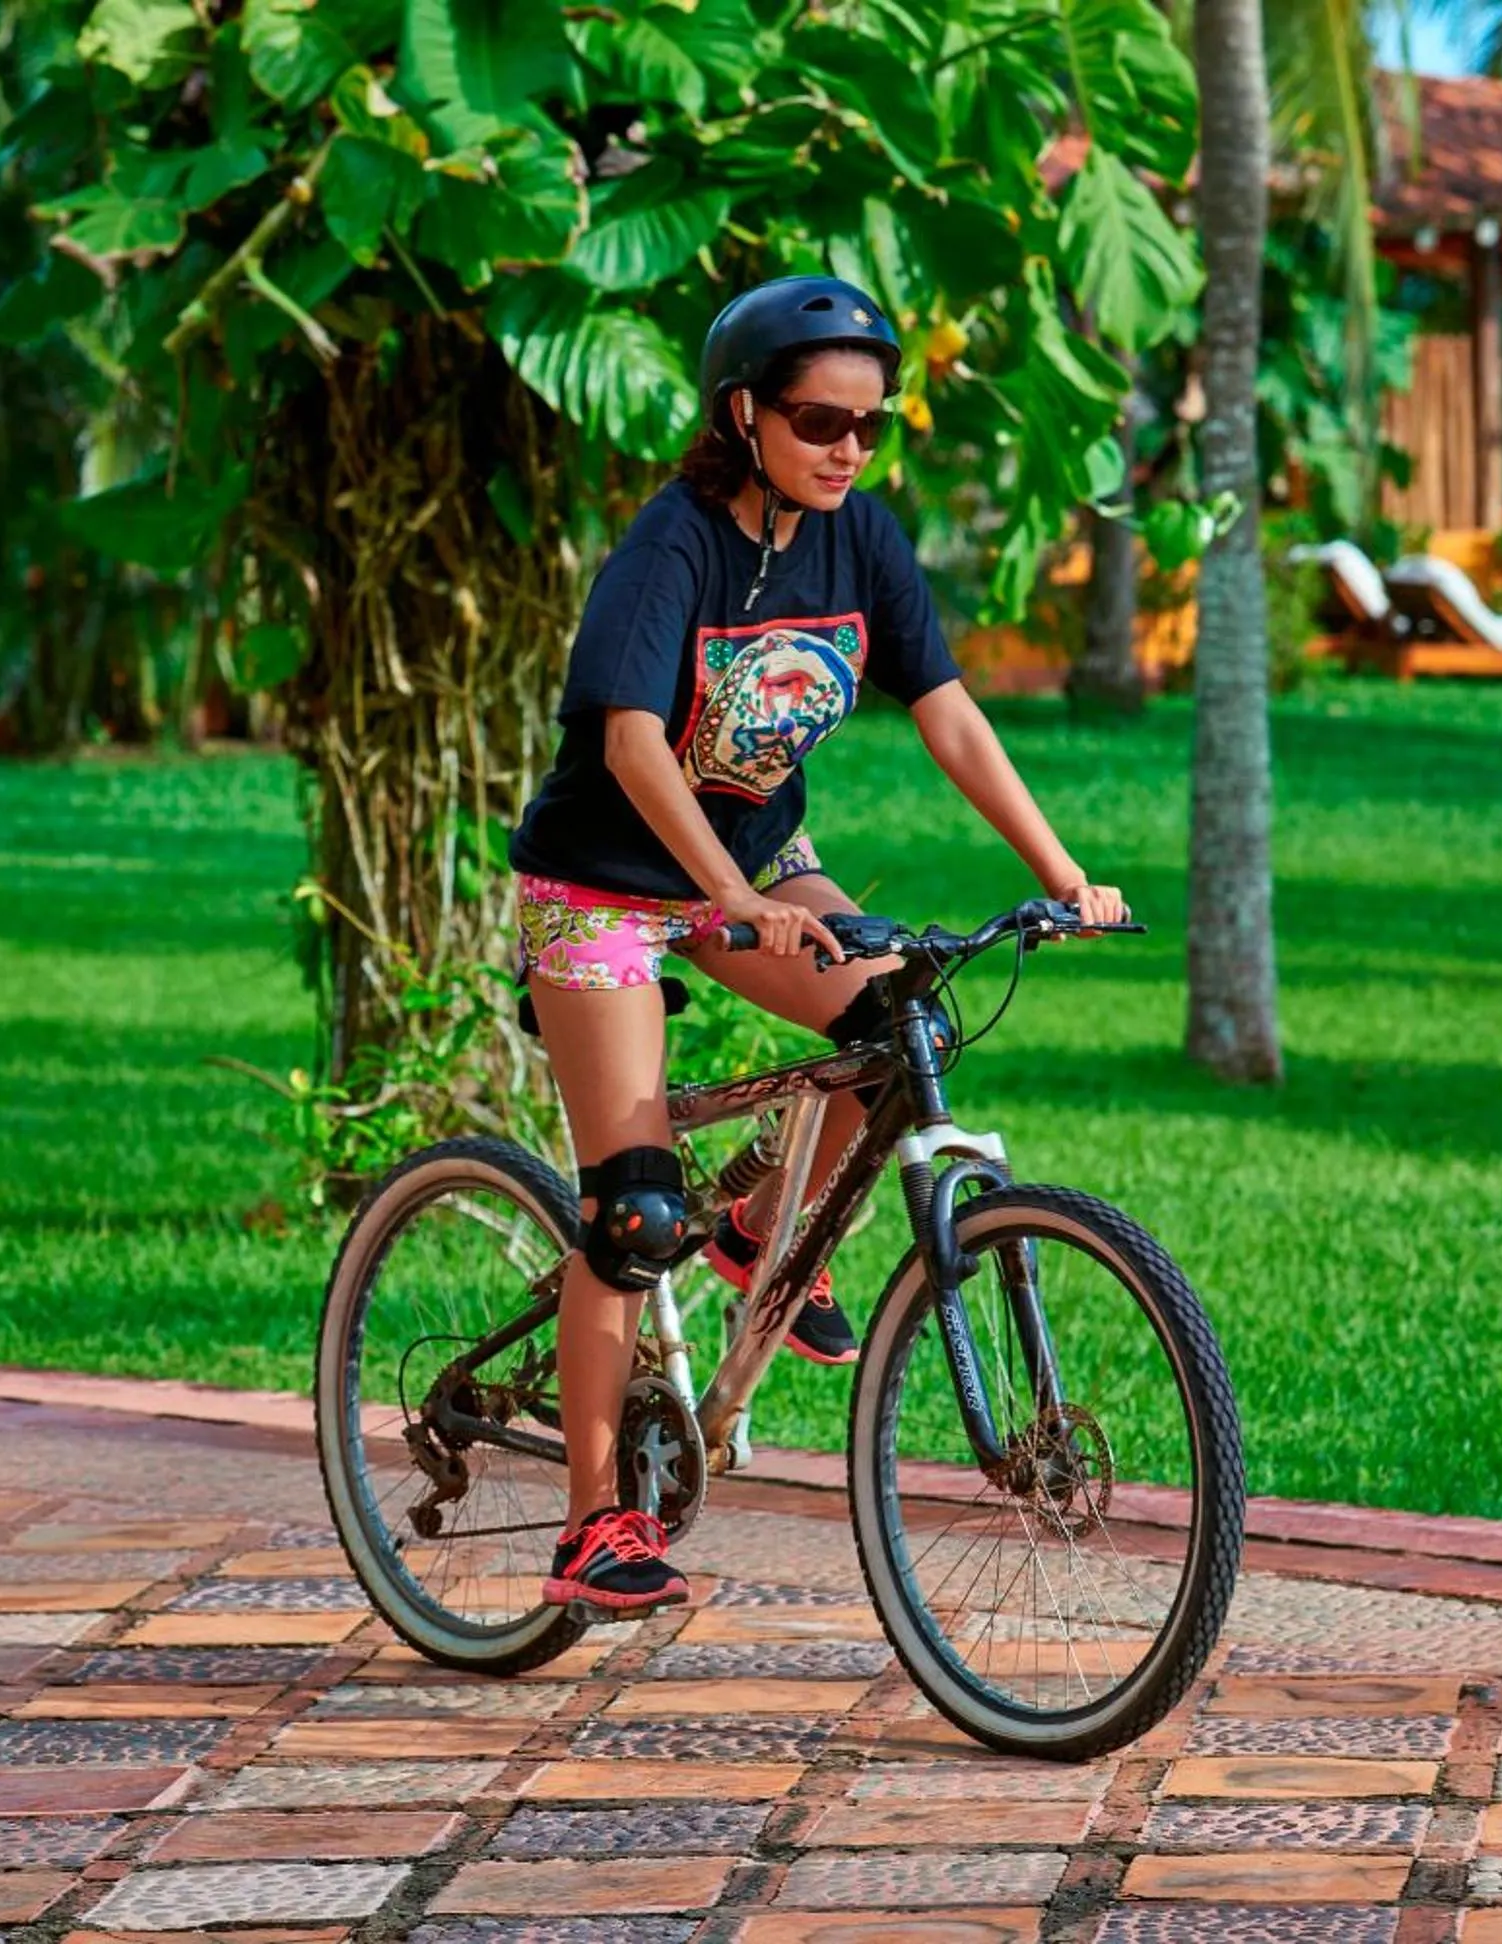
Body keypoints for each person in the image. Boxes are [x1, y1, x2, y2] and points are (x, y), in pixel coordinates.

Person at [506, 275, 1131, 1617]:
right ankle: (591, 1524)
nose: (849, 445)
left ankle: (755, 1227)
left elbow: (952, 717)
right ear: (745, 414)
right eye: (817, 419)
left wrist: (1065, 874)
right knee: (628, 1212)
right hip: (604, 887)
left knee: (906, 1017)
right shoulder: (672, 545)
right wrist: (730, 894)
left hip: (758, 872)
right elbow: (626, 742)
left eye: (869, 421)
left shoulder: (863, 542)